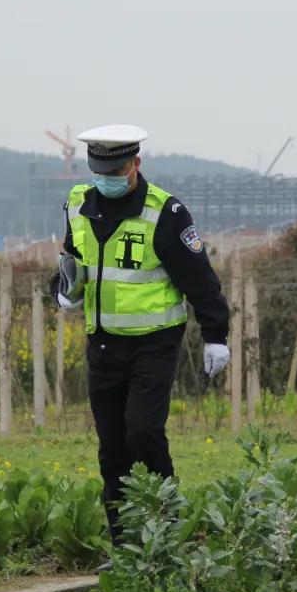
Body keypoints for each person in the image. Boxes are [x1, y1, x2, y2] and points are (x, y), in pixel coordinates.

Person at [51, 123, 230, 547]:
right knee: (112, 445)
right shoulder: (77, 204)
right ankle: (126, 543)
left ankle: (167, 529)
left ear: (135, 164)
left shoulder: (166, 212)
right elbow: (73, 260)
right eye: (100, 171)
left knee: (143, 431)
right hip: (103, 342)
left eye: (114, 172)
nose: (106, 180)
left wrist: (215, 334)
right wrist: (63, 290)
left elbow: (199, 278)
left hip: (155, 341)